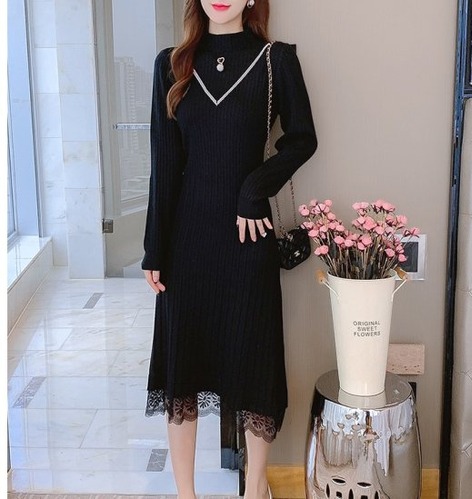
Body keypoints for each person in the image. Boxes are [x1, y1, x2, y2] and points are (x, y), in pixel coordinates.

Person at [142, 1, 317, 497]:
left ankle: (255, 486)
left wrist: (253, 189)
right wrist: (155, 249)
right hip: (186, 245)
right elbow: (164, 162)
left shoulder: (276, 60)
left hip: (248, 240)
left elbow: (302, 139)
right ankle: (186, 493)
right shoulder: (170, 64)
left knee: (254, 364)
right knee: (182, 370)